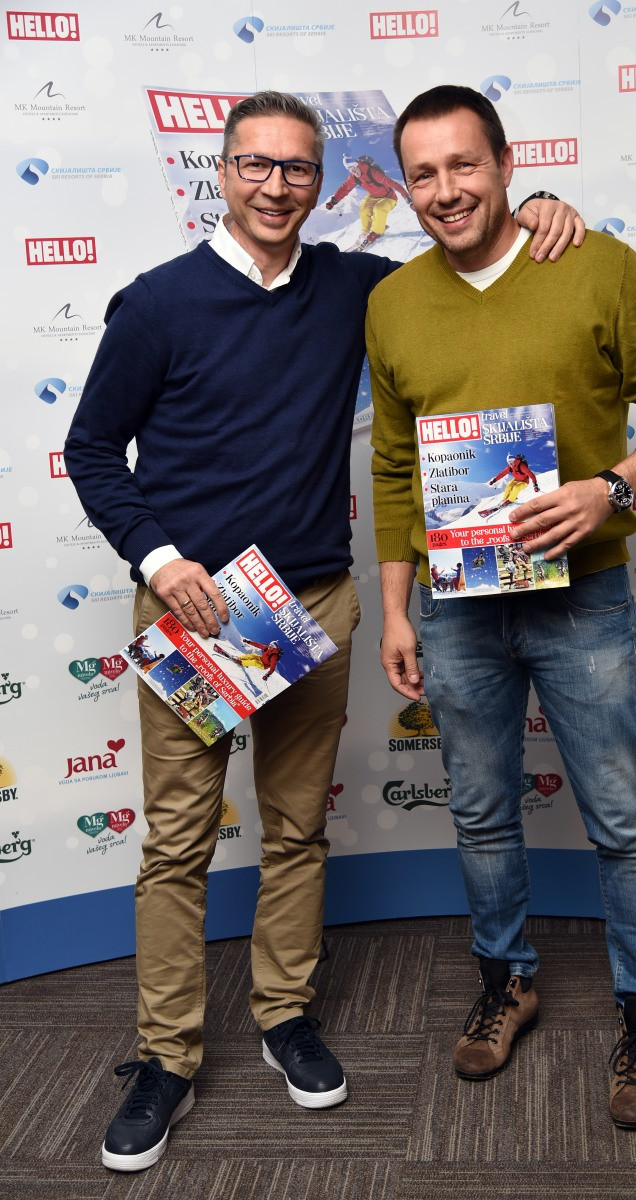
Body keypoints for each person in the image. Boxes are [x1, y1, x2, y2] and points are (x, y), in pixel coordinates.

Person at [63, 89, 584, 1172]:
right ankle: (165, 1055)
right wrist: (160, 561)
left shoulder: (354, 285)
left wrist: (534, 204)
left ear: (319, 183)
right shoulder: (154, 305)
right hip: (200, 610)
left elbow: (463, 260)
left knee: (297, 832)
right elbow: (96, 450)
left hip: (311, 604)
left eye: (298, 168)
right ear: (222, 172)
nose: (276, 185)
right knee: (177, 846)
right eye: (255, 165)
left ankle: (284, 1015)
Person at [368, 85, 636, 1131]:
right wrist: (396, 609)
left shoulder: (597, 264)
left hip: (582, 595)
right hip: (454, 607)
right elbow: (393, 468)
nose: (445, 190)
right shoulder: (391, 301)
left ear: (508, 164)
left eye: (463, 165)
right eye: (422, 173)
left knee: (620, 820)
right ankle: (505, 979)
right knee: (480, 812)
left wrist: (610, 487)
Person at [325, 152, 412, 250]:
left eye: (354, 168)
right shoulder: (354, 177)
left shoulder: (373, 173)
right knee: (364, 210)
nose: (353, 172)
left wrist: (407, 198)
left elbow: (394, 184)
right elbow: (345, 188)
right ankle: (366, 233)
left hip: (389, 197)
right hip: (373, 196)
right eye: (350, 170)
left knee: (379, 209)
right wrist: (333, 200)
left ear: (358, 165)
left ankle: (377, 232)